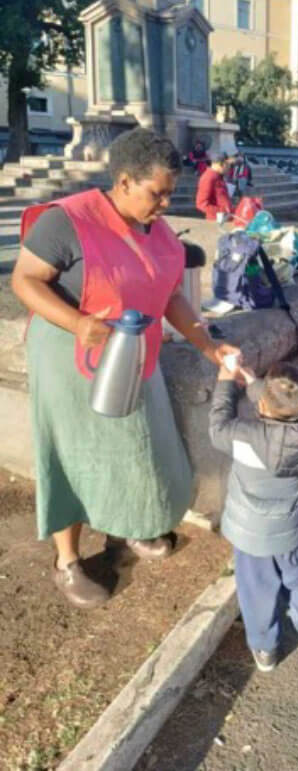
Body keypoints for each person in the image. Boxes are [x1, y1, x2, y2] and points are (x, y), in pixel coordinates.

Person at [11, 128, 238, 609]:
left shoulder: (159, 233)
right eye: (156, 193)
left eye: (169, 193)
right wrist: (78, 322)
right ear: (124, 181)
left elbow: (172, 295)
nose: (163, 205)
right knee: (74, 455)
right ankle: (67, 562)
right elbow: (25, 281)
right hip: (69, 352)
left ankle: (132, 526)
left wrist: (208, 346)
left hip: (133, 353)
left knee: (143, 446)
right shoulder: (66, 222)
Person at [209, 361, 298, 674]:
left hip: (252, 533)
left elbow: (217, 427)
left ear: (262, 404)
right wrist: (255, 385)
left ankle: (265, 648)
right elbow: (281, 411)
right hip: (293, 527)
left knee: (257, 587)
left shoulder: (243, 435)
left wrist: (226, 383)